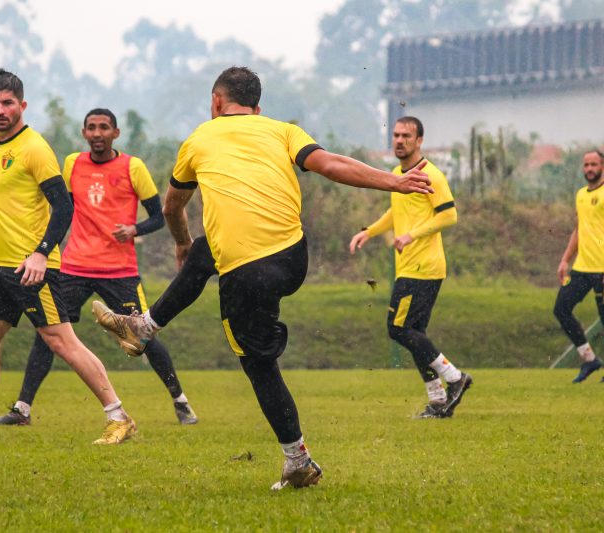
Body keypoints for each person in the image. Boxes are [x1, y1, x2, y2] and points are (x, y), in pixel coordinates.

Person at [91, 66, 434, 490]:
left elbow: (171, 207)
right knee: (205, 253)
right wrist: (393, 182)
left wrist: (181, 244)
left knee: (258, 364)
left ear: (217, 102)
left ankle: (297, 460)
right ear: (257, 107)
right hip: (292, 258)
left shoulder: (199, 139)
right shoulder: (281, 130)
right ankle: (143, 327)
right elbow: (330, 164)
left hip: (245, 273)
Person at [0, 70, 136, 445]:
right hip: (0, 266)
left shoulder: (34, 148)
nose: (0, 110)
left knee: (61, 341)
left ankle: (119, 418)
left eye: (8, 103)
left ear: (22, 106)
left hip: (33, 269)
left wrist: (41, 254)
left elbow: (64, 206)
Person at [0, 108, 197, 427]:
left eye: (104, 127)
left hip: (120, 270)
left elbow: (159, 216)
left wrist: (134, 230)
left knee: (144, 336)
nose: (98, 132)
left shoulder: (133, 167)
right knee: (48, 334)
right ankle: (22, 409)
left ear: (116, 133)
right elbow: (63, 210)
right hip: (75, 267)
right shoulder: (72, 163)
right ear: (84, 133)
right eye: (91, 127)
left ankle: (180, 401)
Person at [349, 116, 470, 419]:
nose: (399, 140)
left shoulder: (432, 175)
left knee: (398, 328)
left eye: (406, 136)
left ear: (419, 141)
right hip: (410, 266)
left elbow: (449, 216)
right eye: (396, 135)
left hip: (423, 267)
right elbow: (396, 211)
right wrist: (369, 231)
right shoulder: (396, 174)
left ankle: (454, 378)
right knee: (415, 331)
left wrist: (411, 234)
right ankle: (438, 398)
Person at [553, 149, 604, 383]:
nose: (589, 169)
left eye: (594, 164)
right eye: (586, 165)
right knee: (561, 308)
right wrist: (565, 259)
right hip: (583, 268)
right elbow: (579, 229)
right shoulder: (581, 195)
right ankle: (589, 359)